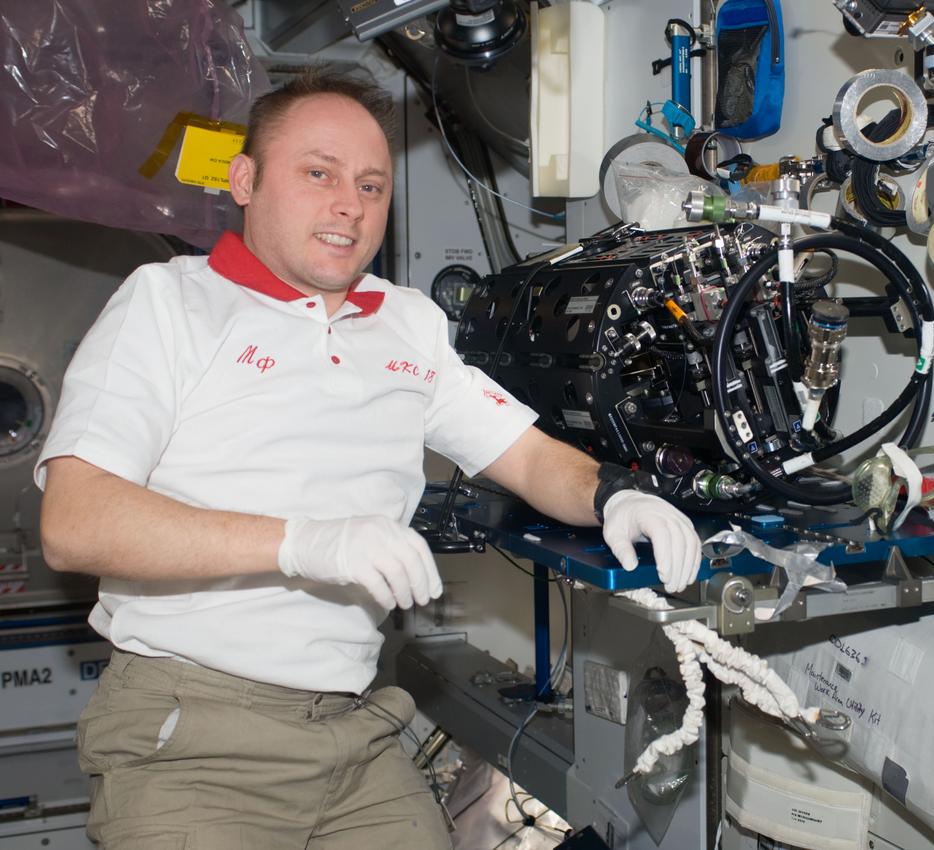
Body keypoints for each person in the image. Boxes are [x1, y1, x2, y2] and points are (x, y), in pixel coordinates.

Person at [36, 68, 702, 848]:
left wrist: (613, 497)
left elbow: (523, 456)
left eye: (371, 185)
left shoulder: (408, 325)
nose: (349, 205)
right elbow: (76, 521)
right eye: (317, 174)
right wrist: (305, 542)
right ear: (245, 180)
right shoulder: (170, 304)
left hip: (355, 733)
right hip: (196, 739)